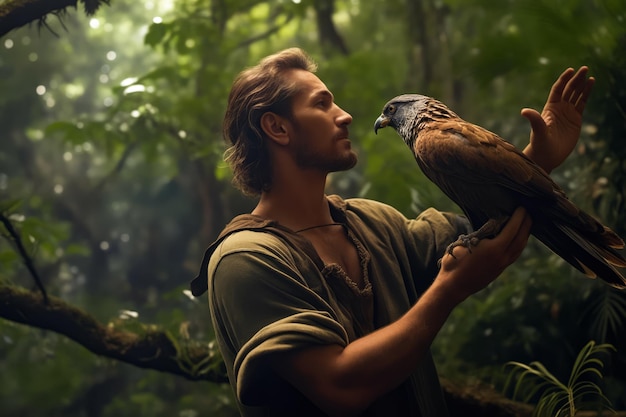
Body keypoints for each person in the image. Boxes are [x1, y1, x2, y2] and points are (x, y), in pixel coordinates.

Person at [190, 48, 595, 416]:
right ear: (277, 128)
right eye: (322, 103)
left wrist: (535, 162)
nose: (345, 115)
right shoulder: (245, 259)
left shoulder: (373, 223)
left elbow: (483, 228)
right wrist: (447, 292)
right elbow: (340, 387)